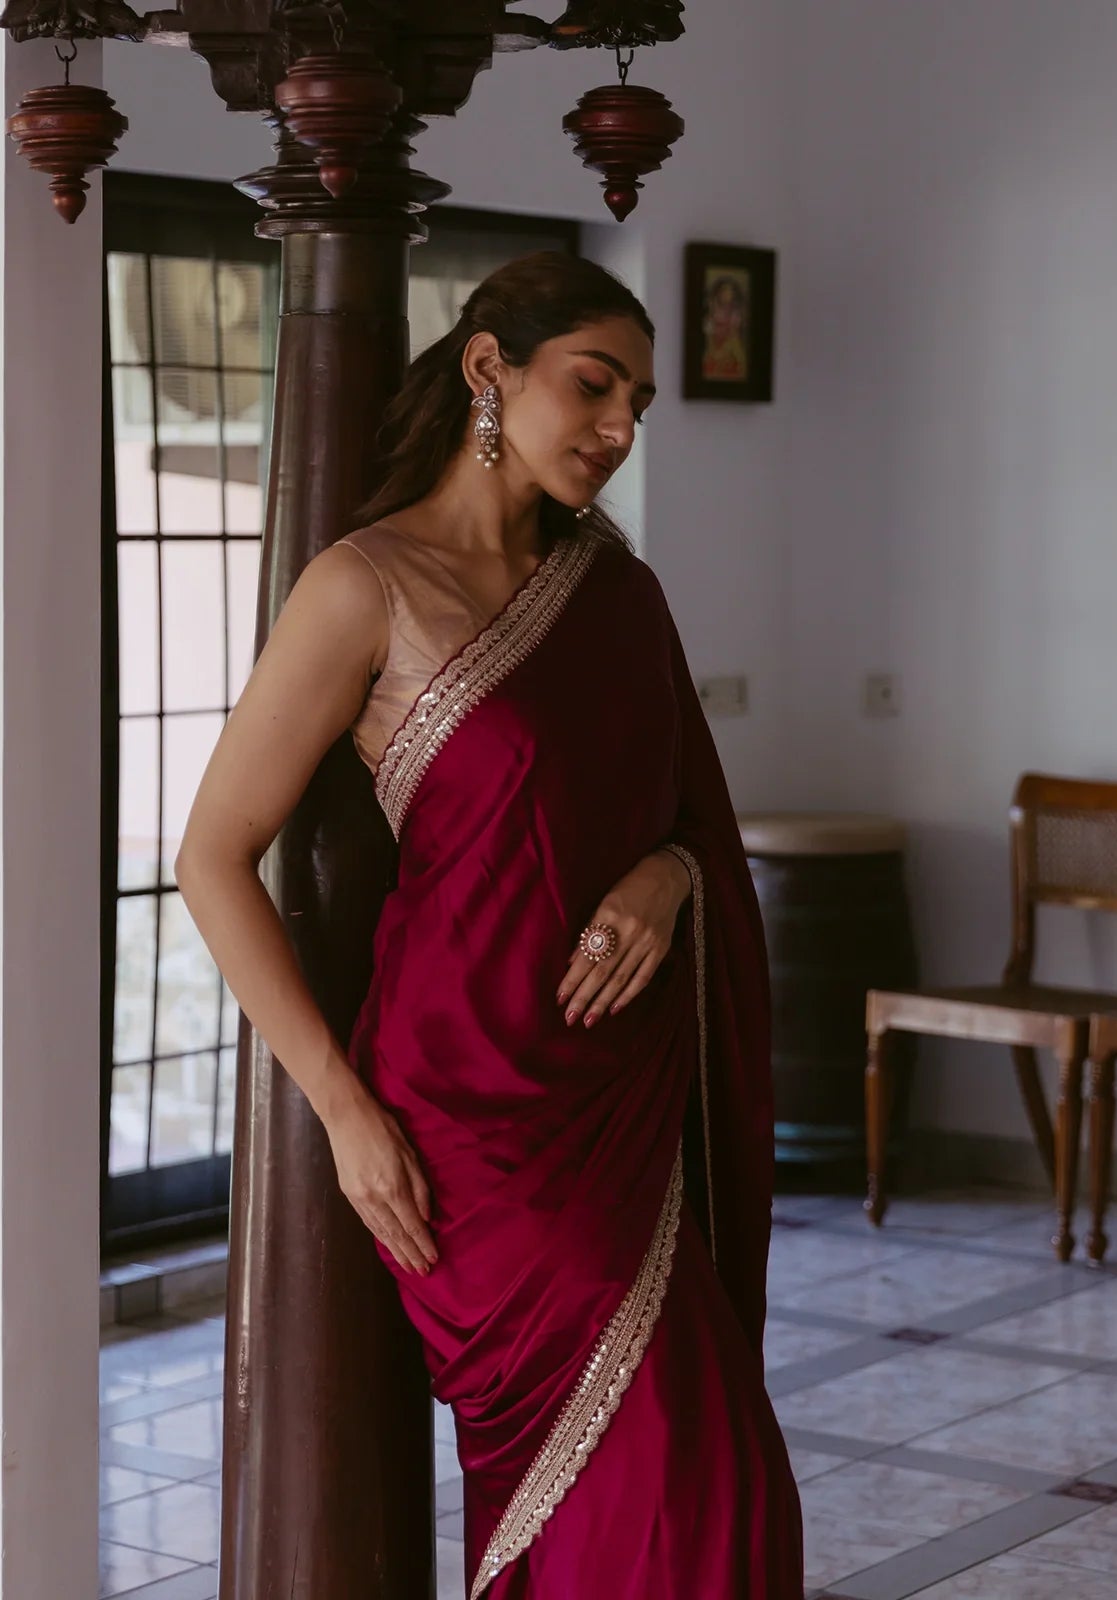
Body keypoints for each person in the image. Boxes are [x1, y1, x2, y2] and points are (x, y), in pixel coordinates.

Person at [174, 251, 803, 1598]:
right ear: (487, 369)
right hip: (469, 1122)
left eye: (636, 400)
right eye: (593, 384)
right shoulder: (367, 587)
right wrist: (341, 1110)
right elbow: (211, 857)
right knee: (641, 1477)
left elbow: (694, 825)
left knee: (721, 1472)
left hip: (623, 1100)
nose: (619, 427)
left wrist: (672, 879)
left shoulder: (620, 596)